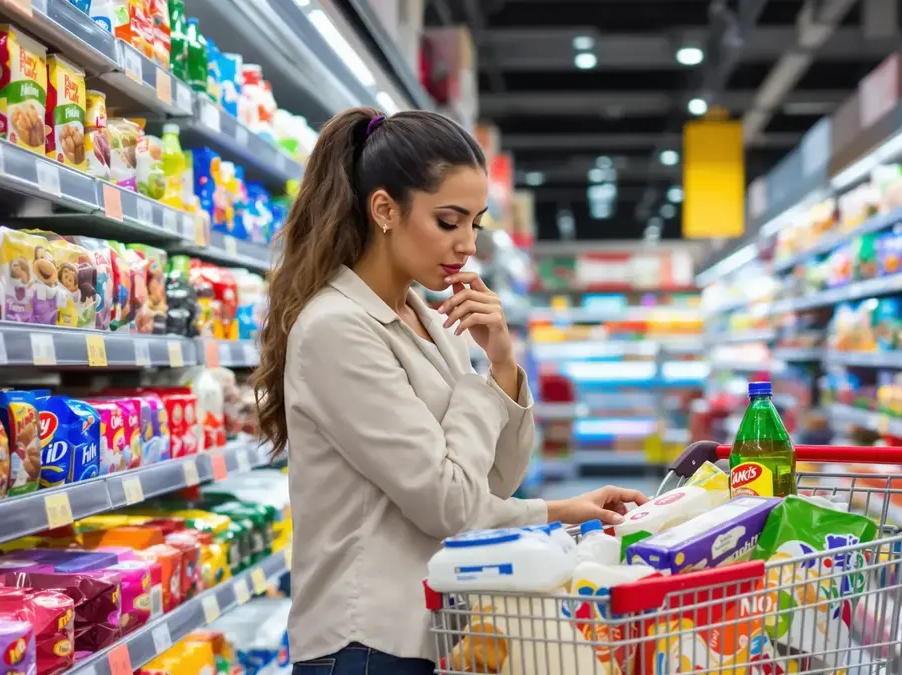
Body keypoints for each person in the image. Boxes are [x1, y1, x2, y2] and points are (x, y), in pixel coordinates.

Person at [252, 107, 649, 675]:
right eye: (448, 220)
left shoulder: (434, 321)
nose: (466, 243)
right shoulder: (337, 329)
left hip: (432, 628)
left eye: (476, 224)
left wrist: (503, 364)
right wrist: (486, 397)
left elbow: (492, 480)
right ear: (385, 209)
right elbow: (451, 504)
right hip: (365, 643)